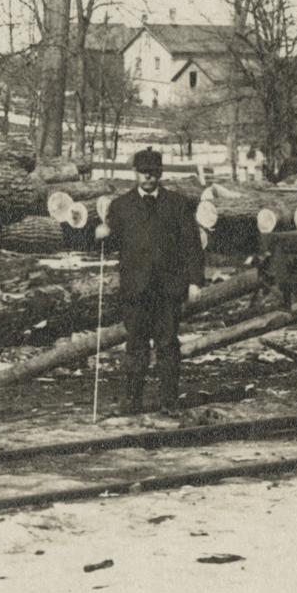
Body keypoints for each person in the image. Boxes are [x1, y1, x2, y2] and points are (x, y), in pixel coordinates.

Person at [106, 147, 203, 415]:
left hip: (168, 289)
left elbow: (192, 246)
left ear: (160, 173)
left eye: (153, 172)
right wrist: (100, 233)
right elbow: (111, 243)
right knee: (136, 345)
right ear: (135, 173)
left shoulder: (177, 204)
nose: (148, 177)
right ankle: (133, 401)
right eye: (143, 172)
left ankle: (169, 401)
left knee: (168, 345)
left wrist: (195, 281)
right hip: (136, 290)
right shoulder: (121, 206)